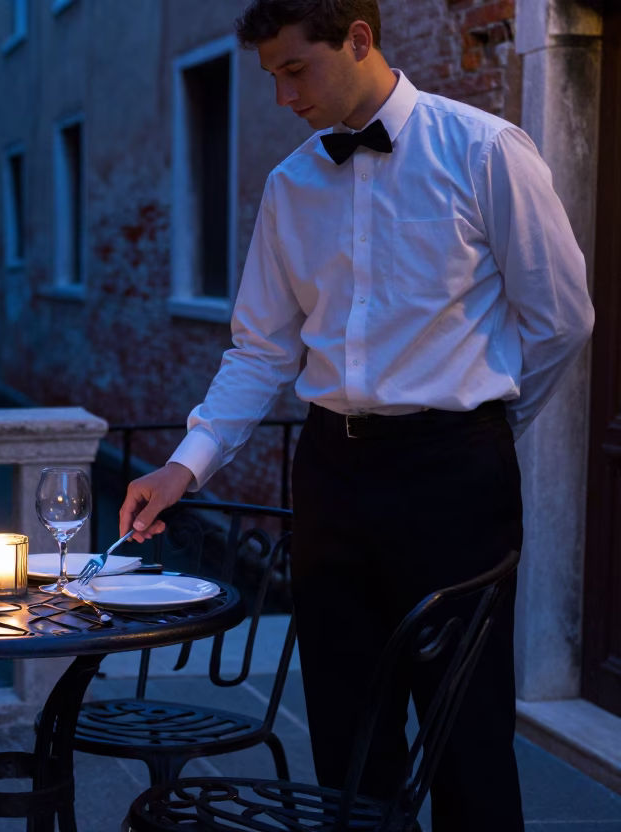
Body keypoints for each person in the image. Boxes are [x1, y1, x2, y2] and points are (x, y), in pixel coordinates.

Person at [118, 1, 594, 828]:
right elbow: (260, 352)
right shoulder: (289, 185)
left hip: (454, 481)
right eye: (271, 77)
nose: (282, 96)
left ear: (359, 40)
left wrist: (483, 429)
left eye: (294, 70)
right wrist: (184, 466)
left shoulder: (485, 150)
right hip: (330, 478)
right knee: (345, 734)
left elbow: (561, 321)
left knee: (467, 735)